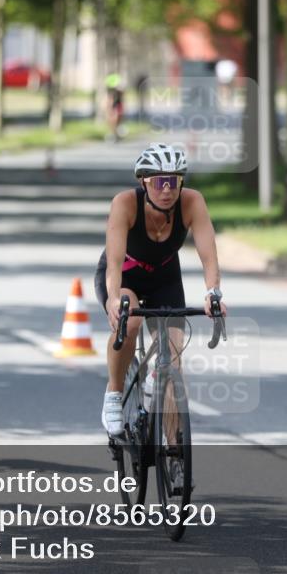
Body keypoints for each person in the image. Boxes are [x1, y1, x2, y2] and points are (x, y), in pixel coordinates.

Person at [95, 143, 227, 436]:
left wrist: (213, 293)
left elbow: (209, 255)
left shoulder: (192, 202)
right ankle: (114, 394)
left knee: (173, 362)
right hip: (125, 275)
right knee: (129, 323)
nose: (166, 190)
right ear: (144, 182)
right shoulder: (125, 203)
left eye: (173, 181)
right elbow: (114, 262)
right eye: (158, 182)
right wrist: (114, 299)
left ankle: (174, 450)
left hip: (164, 277)